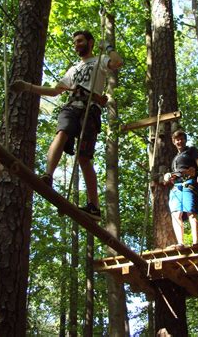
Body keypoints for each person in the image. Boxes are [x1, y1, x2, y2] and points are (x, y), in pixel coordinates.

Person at [11, 30, 123, 218]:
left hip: (90, 108)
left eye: (80, 41)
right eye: (75, 42)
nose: (76, 45)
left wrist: (109, 48)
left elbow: (118, 62)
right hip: (72, 105)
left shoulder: (100, 61)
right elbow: (55, 91)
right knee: (62, 132)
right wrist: (28, 87)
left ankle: (93, 206)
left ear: (90, 42)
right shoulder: (73, 69)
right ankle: (48, 175)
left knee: (84, 158)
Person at [163, 129, 198, 248]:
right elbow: (176, 173)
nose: (179, 141)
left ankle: (196, 243)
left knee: (191, 212)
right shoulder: (175, 158)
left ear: (185, 140)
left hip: (189, 183)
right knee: (176, 214)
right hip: (176, 186)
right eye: (177, 140)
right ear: (173, 142)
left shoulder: (191, 150)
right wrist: (168, 176)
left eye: (181, 139)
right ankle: (180, 243)